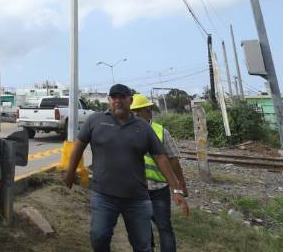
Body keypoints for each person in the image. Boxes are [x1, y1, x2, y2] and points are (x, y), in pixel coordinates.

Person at [64, 84, 189, 252]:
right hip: (103, 196)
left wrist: (176, 189)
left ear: (130, 100)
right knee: (98, 237)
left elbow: (161, 157)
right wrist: (70, 173)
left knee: (143, 245)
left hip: (136, 198)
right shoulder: (95, 120)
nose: (117, 100)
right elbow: (79, 145)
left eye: (122, 97)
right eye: (114, 97)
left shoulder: (143, 127)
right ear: (108, 100)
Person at [130, 94, 188, 252]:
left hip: (158, 189)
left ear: (148, 111)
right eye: (132, 112)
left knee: (164, 228)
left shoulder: (161, 132)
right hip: (137, 189)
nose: (135, 115)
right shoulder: (127, 132)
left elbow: (173, 160)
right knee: (142, 230)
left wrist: (180, 185)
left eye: (138, 111)